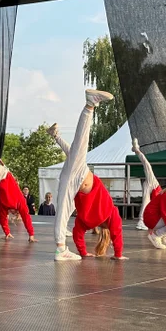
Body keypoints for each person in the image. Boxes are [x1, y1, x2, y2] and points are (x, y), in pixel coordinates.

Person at [51, 90, 126, 261]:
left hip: (81, 178)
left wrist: (118, 254)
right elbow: (79, 234)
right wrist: (116, 255)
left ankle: (86, 109)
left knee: (77, 149)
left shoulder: (109, 214)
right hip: (78, 179)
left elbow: (117, 234)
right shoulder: (93, 221)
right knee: (76, 150)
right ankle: (88, 107)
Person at [132, 137, 162, 231]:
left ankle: (141, 221)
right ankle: (137, 150)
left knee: (145, 202)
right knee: (147, 165)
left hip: (151, 189)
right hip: (154, 186)